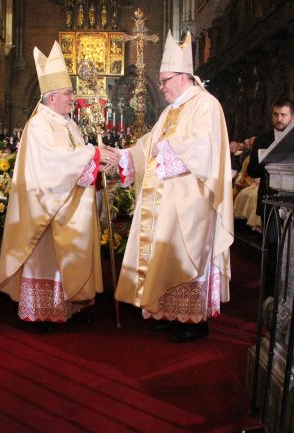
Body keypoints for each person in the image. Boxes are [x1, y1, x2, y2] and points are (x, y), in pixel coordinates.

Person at [114, 31, 234, 343]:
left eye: (166, 80)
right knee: (165, 257)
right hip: (165, 203)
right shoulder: (171, 110)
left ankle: (194, 321)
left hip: (191, 202)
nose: (162, 87)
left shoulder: (206, 105)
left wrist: (168, 148)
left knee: (186, 255)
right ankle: (169, 312)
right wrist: (125, 155)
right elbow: (149, 144)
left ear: (183, 77)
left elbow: (205, 149)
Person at [0, 41, 120, 330]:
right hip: (48, 211)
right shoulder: (39, 125)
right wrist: (92, 155)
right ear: (51, 98)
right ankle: (43, 311)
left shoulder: (68, 124)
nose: (73, 98)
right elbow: (52, 166)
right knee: (48, 258)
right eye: (67, 93)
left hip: (71, 207)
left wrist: (98, 165)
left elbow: (76, 161)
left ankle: (70, 304)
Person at [247, 98, 294, 298]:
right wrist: (268, 164)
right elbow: (251, 170)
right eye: (276, 114)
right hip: (269, 199)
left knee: (292, 248)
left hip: (293, 201)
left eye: (283, 115)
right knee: (271, 247)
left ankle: (289, 289)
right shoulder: (262, 140)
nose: (279, 118)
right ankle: (269, 293)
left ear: (292, 117)